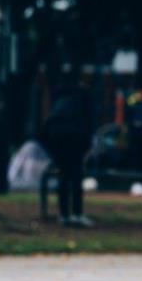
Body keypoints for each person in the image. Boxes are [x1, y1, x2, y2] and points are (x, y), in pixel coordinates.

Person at [40, 68, 96, 227]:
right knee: (76, 175)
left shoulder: (60, 96)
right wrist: (87, 144)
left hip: (56, 135)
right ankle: (77, 213)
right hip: (73, 135)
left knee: (64, 176)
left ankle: (64, 214)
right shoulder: (83, 96)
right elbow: (87, 120)